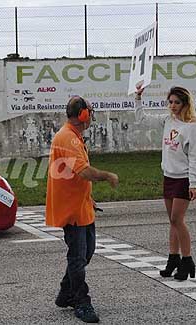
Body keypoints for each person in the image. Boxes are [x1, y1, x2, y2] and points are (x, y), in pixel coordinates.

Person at [46, 96, 119, 323]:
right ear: (83, 115)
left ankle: (65, 292)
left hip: (82, 204)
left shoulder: (73, 136)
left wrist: (90, 197)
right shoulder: (68, 138)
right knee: (77, 257)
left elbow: (74, 176)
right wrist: (107, 175)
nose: (92, 116)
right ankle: (81, 301)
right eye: (90, 112)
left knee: (87, 251)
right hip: (72, 209)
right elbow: (83, 172)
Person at [135, 86, 196, 281]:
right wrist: (138, 98)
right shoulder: (168, 120)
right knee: (172, 221)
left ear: (185, 104)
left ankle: (187, 260)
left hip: (183, 179)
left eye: (177, 102)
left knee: (177, 220)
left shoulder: (192, 126)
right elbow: (142, 119)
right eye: (170, 102)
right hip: (169, 176)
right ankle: (173, 258)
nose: (172, 106)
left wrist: (193, 183)